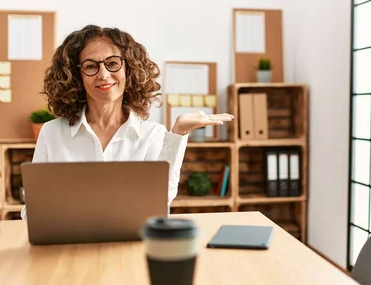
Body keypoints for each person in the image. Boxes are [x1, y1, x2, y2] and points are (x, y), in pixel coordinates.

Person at [20, 25, 233, 219]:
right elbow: (32, 210)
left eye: (113, 63)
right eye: (91, 66)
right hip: (66, 248)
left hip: (130, 248)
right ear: (76, 76)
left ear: (129, 70)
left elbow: (160, 200)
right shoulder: (51, 133)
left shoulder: (152, 135)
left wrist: (178, 132)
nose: (104, 74)